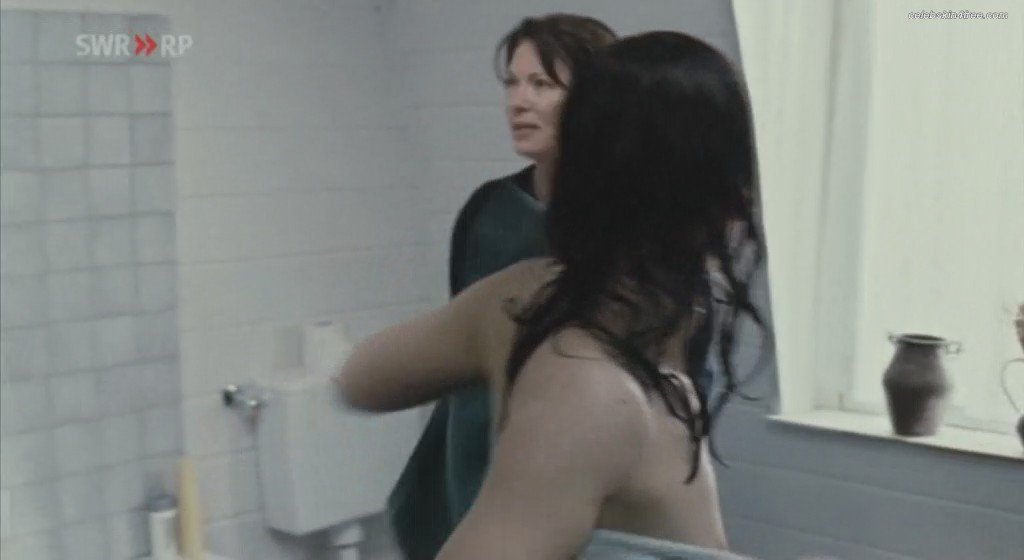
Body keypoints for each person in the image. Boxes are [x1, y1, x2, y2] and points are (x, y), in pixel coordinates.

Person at [338, 30, 764, 559]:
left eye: (541, 84)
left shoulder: (531, 299)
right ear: (725, 196)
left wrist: (491, 349)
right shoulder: (593, 388)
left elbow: (362, 379)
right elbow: (362, 381)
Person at [384, 14, 617, 560]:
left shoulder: (629, 225)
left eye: (542, 84)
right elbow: (463, 360)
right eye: (512, 83)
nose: (518, 102)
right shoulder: (490, 211)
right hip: (475, 457)